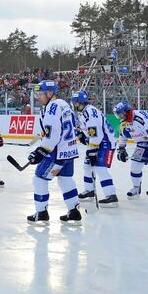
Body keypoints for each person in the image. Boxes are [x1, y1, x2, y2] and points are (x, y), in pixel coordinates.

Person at [26, 80, 82, 226]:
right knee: (65, 179)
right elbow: (71, 125)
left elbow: (54, 134)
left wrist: (41, 151)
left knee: (39, 179)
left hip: (56, 151)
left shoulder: (51, 107)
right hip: (69, 150)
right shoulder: (64, 104)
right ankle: (74, 211)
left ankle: (41, 212)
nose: (38, 97)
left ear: (50, 93)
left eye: (40, 94)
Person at [114, 102, 148, 202]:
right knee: (135, 166)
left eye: (120, 114)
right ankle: (136, 187)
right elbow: (122, 136)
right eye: (117, 115)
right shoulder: (124, 121)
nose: (119, 117)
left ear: (126, 112)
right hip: (142, 142)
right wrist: (121, 149)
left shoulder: (141, 119)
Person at [70, 91, 119, 207]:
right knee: (87, 167)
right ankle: (90, 191)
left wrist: (91, 150)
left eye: (74, 102)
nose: (73, 104)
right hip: (97, 142)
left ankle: (111, 195)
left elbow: (96, 134)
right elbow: (88, 131)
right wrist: (81, 135)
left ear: (78, 102)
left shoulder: (89, 112)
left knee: (100, 169)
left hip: (105, 143)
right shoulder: (85, 111)